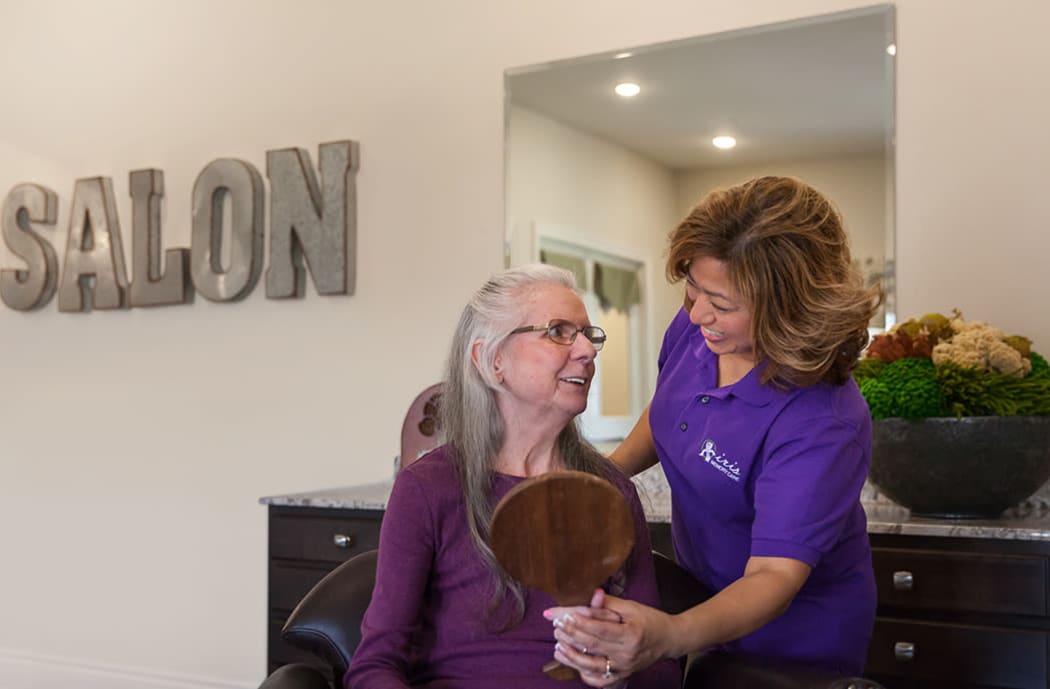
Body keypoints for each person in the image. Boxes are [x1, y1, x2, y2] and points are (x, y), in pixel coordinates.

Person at [548, 176, 882, 683]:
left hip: (792, 641)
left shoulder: (822, 420)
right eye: (693, 289)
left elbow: (773, 575)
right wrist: (606, 477)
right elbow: (668, 411)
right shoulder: (698, 329)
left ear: (789, 309)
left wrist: (671, 634)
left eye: (721, 304)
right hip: (698, 595)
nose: (698, 312)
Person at [345, 264, 681, 689]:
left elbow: (661, 672)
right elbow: (374, 667)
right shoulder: (427, 489)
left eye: (588, 335)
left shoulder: (611, 493)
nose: (587, 351)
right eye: (558, 331)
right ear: (493, 360)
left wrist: (619, 675)